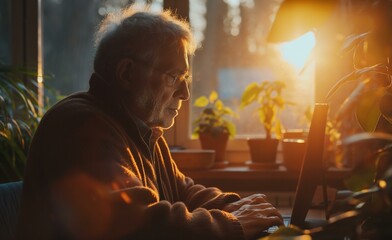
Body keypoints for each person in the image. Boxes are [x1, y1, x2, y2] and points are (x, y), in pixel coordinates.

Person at [17, 5, 283, 240]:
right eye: (173, 77)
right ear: (127, 73)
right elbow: (135, 222)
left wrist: (235, 206)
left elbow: (182, 190)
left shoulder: (139, 129)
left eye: (185, 79)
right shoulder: (81, 124)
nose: (185, 94)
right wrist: (232, 224)